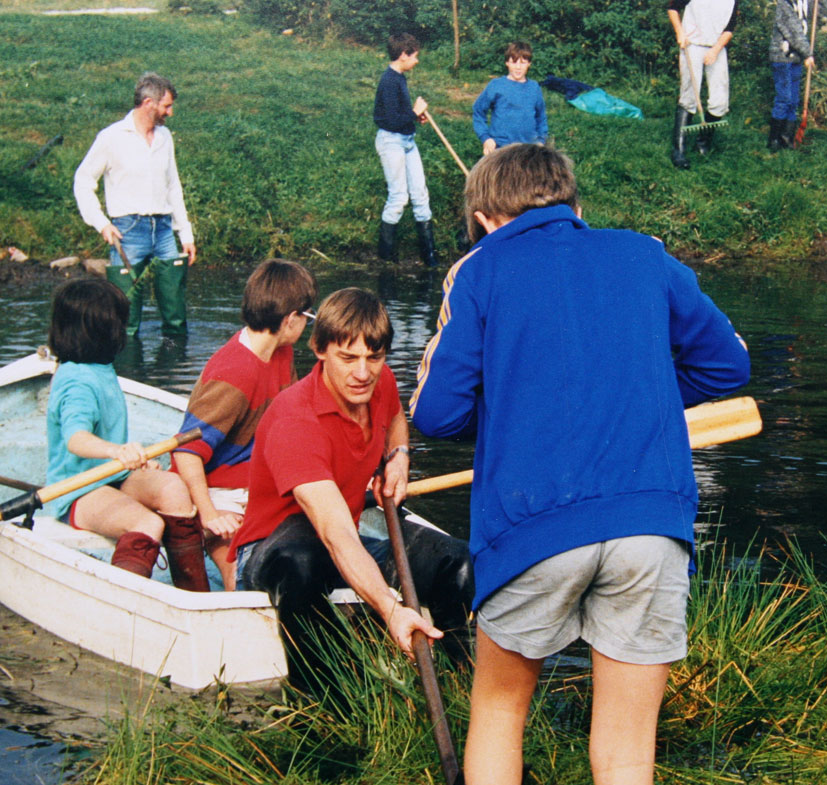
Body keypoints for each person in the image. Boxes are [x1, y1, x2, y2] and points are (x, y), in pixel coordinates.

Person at [410, 144, 751, 785]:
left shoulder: (477, 271)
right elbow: (729, 364)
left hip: (531, 522)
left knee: (499, 711)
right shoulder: (645, 253)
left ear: (483, 218)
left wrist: (525, 410)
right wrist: (624, 391)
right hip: (651, 520)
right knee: (626, 749)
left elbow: (435, 411)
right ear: (575, 205)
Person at [231, 287, 473, 691]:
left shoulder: (379, 382)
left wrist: (398, 455)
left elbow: (395, 414)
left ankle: (461, 686)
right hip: (273, 550)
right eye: (348, 358)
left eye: (373, 358)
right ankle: (322, 707)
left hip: (346, 533)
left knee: (458, 562)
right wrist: (391, 610)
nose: (363, 373)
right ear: (319, 349)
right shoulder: (295, 419)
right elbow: (336, 534)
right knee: (303, 563)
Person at [45, 277, 208, 591]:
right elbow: (76, 439)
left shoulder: (98, 367)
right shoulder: (77, 382)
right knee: (148, 523)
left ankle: (195, 594)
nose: (123, 330)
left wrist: (130, 460)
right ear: (99, 330)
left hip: (111, 477)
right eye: (118, 324)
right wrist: (116, 452)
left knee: (173, 486)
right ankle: (122, 601)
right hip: (78, 492)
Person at [171, 259, 317, 591]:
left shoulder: (281, 352)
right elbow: (186, 452)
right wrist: (209, 514)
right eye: (307, 316)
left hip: (255, 484)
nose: (307, 324)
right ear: (291, 319)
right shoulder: (235, 372)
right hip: (216, 491)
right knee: (240, 574)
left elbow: (291, 423)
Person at [74, 72, 198, 337]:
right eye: (167, 106)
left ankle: (175, 369)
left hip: (164, 229)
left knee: (176, 313)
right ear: (148, 103)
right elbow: (83, 180)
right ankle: (127, 369)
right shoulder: (111, 137)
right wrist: (102, 224)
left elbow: (173, 186)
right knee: (126, 317)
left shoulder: (165, 137)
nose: (171, 112)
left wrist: (185, 234)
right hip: (128, 230)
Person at [666, 0, 740, 169]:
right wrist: (680, 32)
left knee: (719, 101)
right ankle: (678, 150)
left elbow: (730, 28)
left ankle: (703, 140)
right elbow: (673, 7)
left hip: (715, 48)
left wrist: (716, 50)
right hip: (692, 46)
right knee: (689, 96)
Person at [374, 33, 438, 267]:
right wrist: (412, 113)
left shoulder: (400, 77)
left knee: (421, 194)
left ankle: (430, 258)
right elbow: (389, 120)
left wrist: (414, 118)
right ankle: (386, 259)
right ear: (403, 55)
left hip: (407, 140)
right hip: (391, 142)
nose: (417, 61)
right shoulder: (389, 81)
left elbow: (399, 115)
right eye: (414, 57)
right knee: (399, 197)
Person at [768, 0, 827, 150]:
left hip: (797, 58)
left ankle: (787, 138)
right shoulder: (783, 4)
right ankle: (774, 140)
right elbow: (794, 32)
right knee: (784, 98)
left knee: (793, 100)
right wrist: (808, 54)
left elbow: (822, 13)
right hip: (782, 56)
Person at [472, 41, 548, 155]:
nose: (518, 67)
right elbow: (478, 111)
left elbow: (541, 117)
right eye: (514, 62)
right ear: (507, 62)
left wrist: (541, 140)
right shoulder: (496, 85)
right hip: (501, 147)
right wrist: (486, 138)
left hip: (528, 148)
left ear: (529, 64)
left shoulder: (534, 87)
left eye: (523, 63)